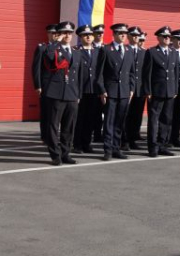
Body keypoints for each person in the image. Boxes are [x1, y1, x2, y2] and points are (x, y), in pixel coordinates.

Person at [39, 21, 83, 165]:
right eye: (65, 33)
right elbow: (49, 58)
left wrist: (78, 94)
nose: (68, 36)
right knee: (53, 125)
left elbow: (79, 76)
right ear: (58, 34)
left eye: (70, 33)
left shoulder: (76, 52)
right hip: (56, 93)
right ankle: (55, 155)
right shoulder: (52, 49)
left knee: (69, 126)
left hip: (72, 94)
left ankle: (65, 153)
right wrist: (55, 42)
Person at [96, 23, 135, 161]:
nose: (123, 35)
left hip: (124, 92)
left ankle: (116, 148)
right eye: (120, 33)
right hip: (110, 91)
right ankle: (107, 150)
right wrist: (102, 90)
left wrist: (131, 88)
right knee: (109, 122)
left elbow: (131, 72)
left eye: (125, 33)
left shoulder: (129, 51)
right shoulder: (106, 49)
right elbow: (99, 73)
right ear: (114, 34)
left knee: (120, 121)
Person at [143, 26, 179, 157]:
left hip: (169, 91)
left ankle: (163, 145)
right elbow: (147, 73)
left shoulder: (173, 52)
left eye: (169, 37)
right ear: (158, 38)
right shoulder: (152, 52)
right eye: (164, 36)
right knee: (153, 120)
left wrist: (175, 89)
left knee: (167, 119)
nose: (167, 39)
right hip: (156, 92)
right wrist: (148, 91)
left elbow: (175, 72)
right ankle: (152, 147)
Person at [73, 25, 102, 154]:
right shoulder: (76, 51)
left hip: (94, 90)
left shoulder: (98, 51)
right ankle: (77, 144)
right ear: (80, 37)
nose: (89, 37)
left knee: (91, 118)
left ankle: (87, 143)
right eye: (85, 35)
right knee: (79, 119)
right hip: (80, 90)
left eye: (90, 34)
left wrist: (101, 90)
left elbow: (101, 72)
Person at [32, 23, 59, 145]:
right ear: (47, 34)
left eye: (56, 33)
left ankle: (54, 135)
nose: (54, 35)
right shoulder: (42, 47)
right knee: (46, 112)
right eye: (52, 33)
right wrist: (38, 85)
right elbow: (36, 68)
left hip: (60, 85)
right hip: (46, 84)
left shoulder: (63, 48)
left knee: (57, 112)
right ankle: (45, 136)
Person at [124, 26, 147, 151]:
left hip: (140, 89)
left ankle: (133, 138)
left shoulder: (143, 52)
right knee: (126, 115)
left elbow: (147, 72)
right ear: (128, 37)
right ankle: (125, 140)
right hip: (127, 89)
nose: (135, 38)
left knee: (137, 115)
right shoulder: (125, 50)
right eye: (133, 35)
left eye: (137, 36)